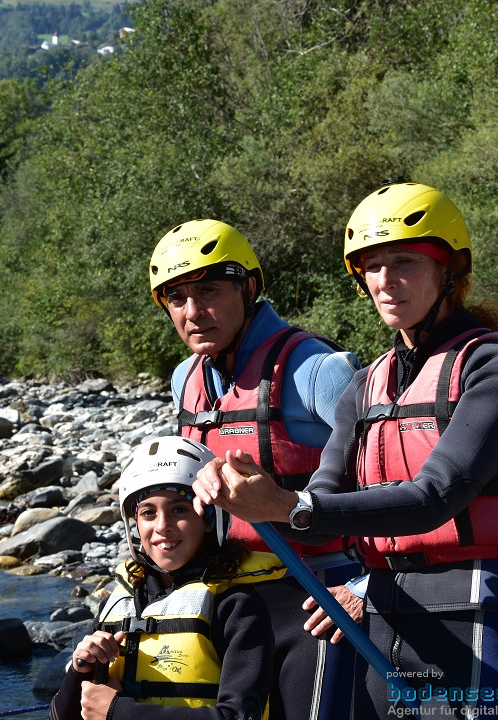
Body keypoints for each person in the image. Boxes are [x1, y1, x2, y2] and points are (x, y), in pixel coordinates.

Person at [192, 182, 498, 718]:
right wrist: (247, 485)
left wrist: (286, 506)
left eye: (404, 262)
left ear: (450, 269)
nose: (385, 282)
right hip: (382, 602)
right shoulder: (367, 384)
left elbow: (438, 496)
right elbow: (324, 500)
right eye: (371, 267)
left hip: (477, 596)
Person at [148, 219, 362, 720]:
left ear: (247, 288)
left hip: (318, 599)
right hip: (232, 600)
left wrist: (364, 589)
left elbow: (395, 482)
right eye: (176, 299)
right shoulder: (186, 378)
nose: (193, 312)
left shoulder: (318, 370)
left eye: (209, 291)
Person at [49, 436, 283, 720]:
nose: (162, 527)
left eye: (179, 510)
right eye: (148, 513)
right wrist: (80, 669)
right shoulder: (118, 602)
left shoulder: (236, 606)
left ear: (209, 519)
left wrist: (117, 712)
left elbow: (240, 716)